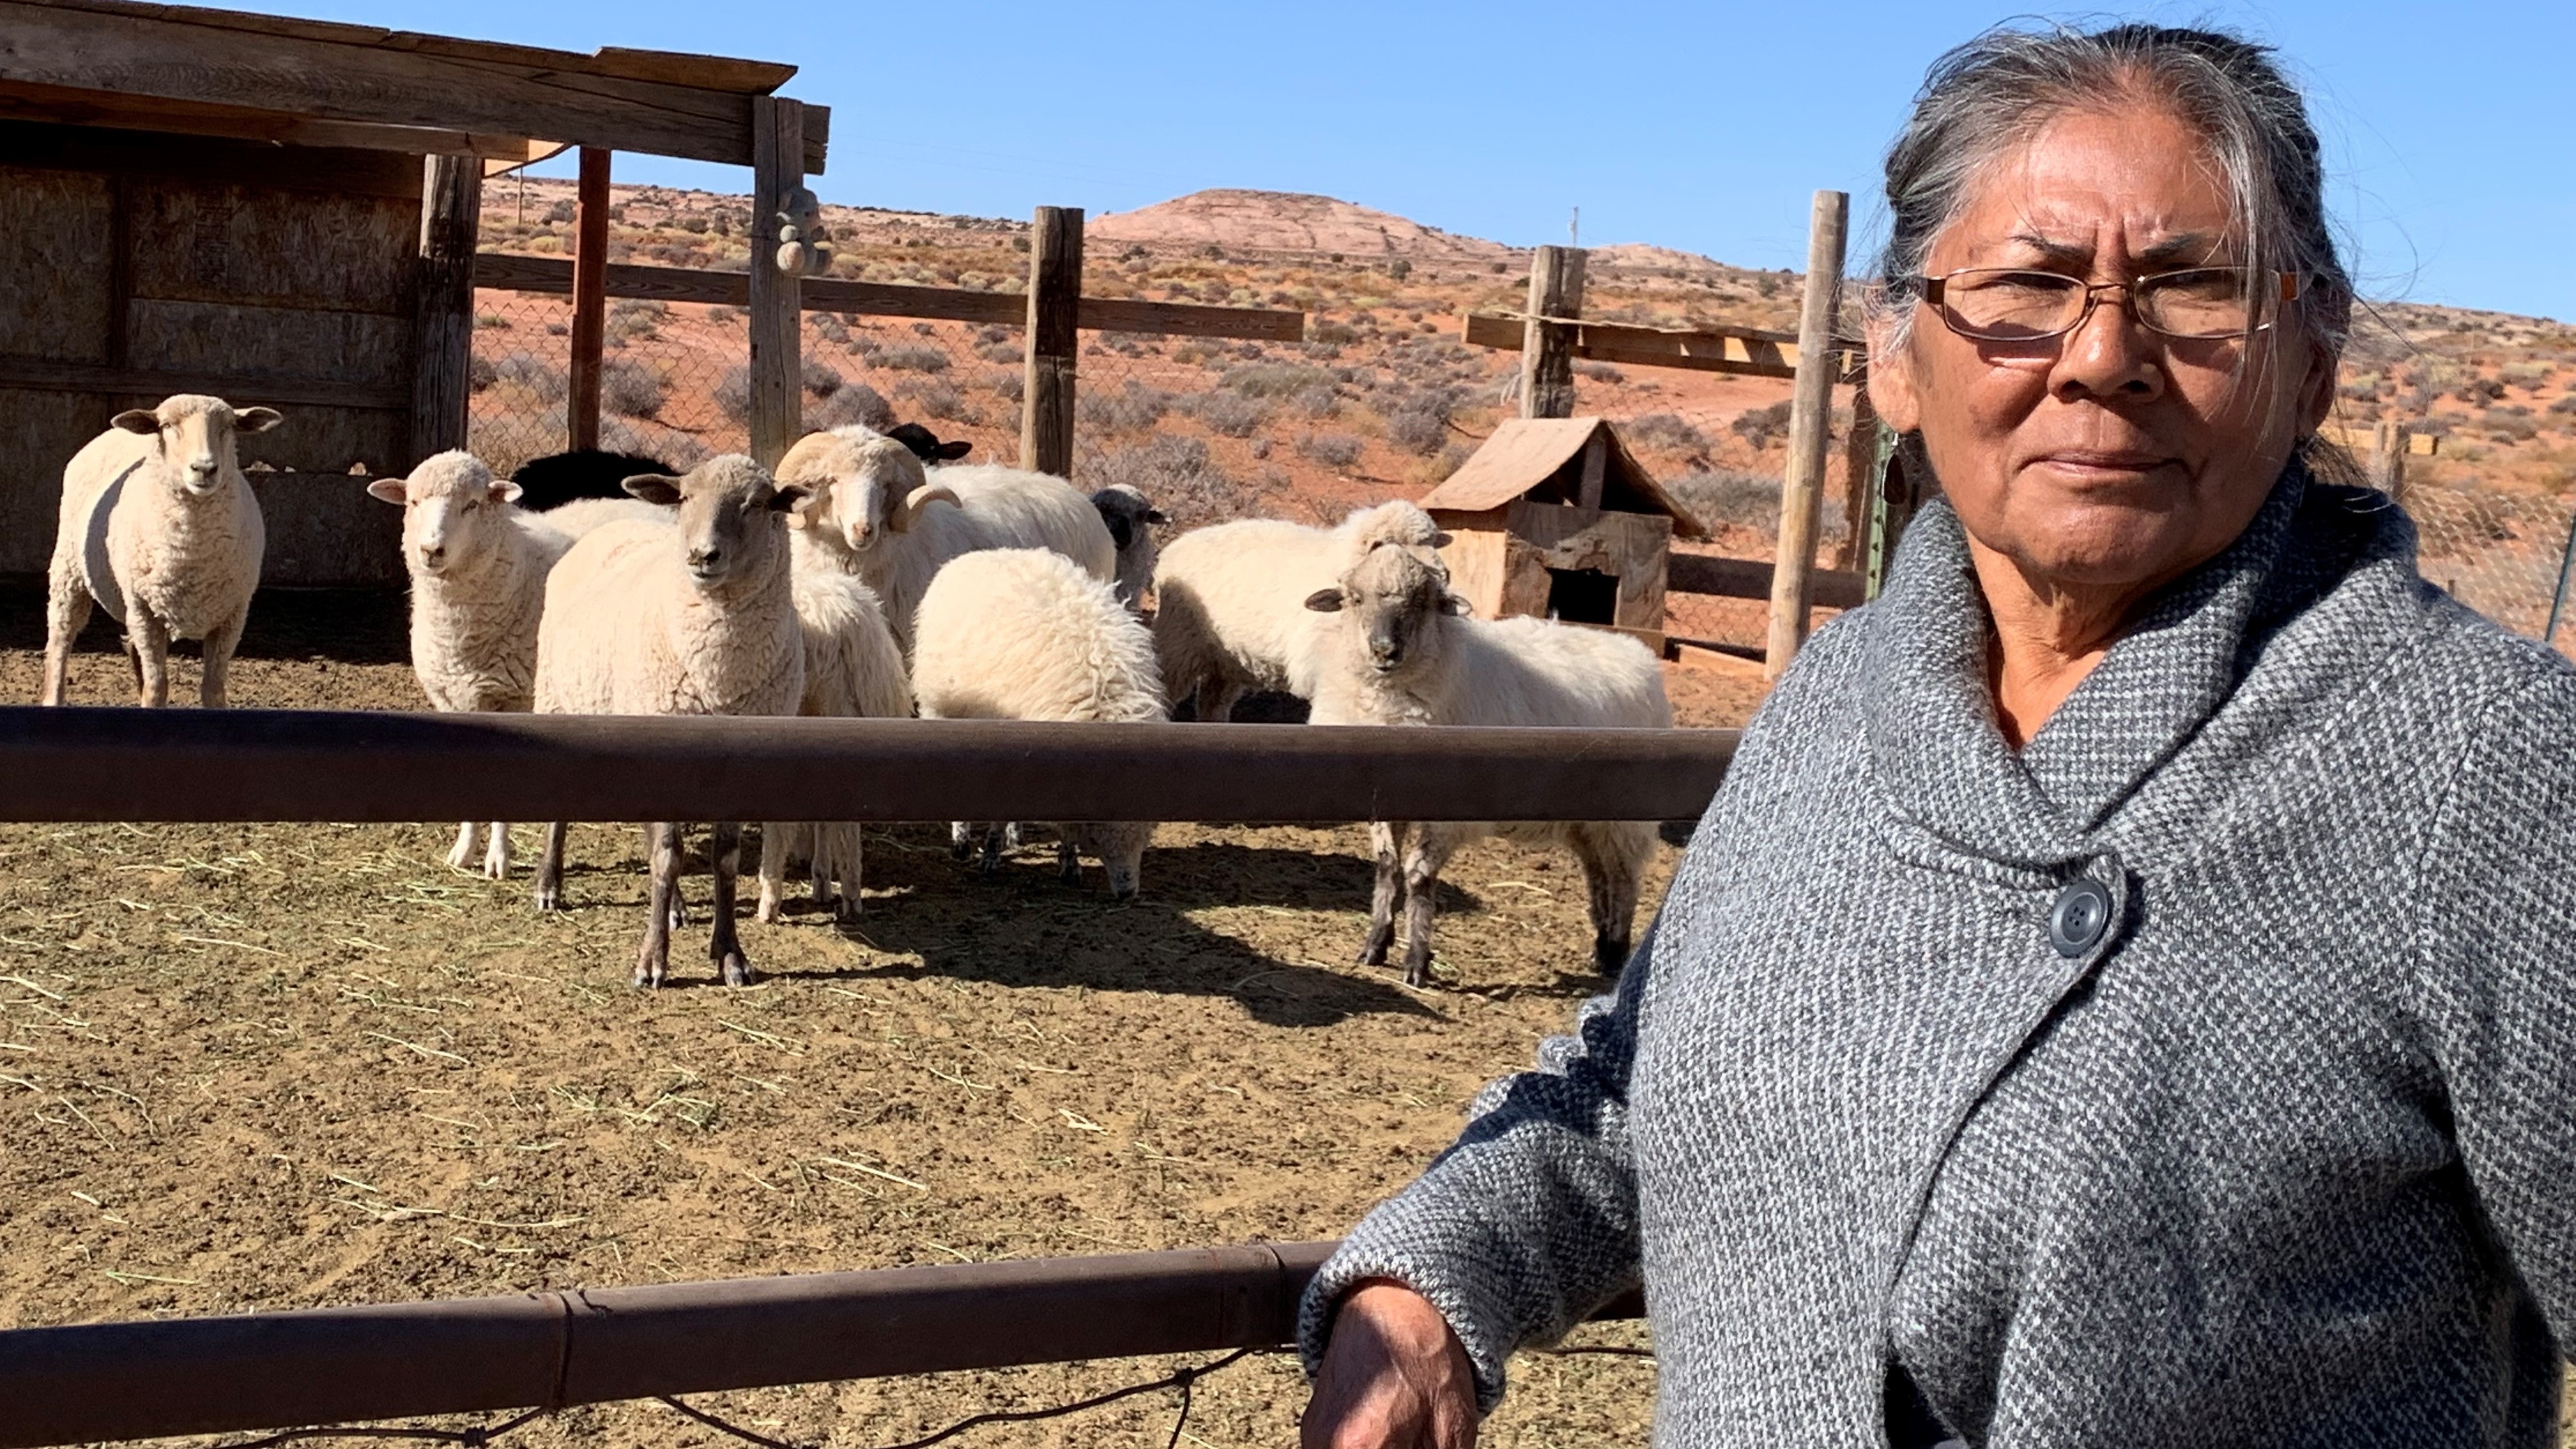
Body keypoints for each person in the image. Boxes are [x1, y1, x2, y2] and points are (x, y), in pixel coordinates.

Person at [1297, 22, 2576, 1449]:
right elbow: (1639, 1082)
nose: (2104, 356)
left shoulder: (2485, 768)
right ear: (1897, 359)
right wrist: (1430, 1283)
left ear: (2314, 352)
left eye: (2192, 289)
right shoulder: (1840, 705)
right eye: (2028, 288)